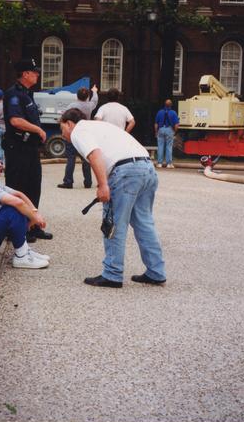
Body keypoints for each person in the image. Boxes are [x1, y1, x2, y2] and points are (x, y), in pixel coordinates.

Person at [59, 108, 166, 288]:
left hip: (125, 172)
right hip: (147, 167)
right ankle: (156, 272)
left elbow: (94, 155)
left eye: (62, 129)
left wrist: (102, 185)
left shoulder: (79, 130)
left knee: (114, 223)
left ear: (69, 123)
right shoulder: (99, 126)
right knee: (144, 222)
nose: (63, 135)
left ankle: (112, 274)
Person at [3, 58, 53, 242]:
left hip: (30, 148)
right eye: (34, 72)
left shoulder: (27, 94)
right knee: (18, 187)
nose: (37, 74)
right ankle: (15, 230)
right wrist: (38, 129)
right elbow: (15, 121)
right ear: (25, 74)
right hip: (18, 148)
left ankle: (32, 226)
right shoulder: (14, 95)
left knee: (33, 187)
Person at [57, 84, 98, 189]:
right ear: (87, 96)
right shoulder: (89, 106)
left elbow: (63, 117)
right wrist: (95, 91)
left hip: (72, 134)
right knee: (86, 159)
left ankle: (68, 182)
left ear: (77, 96)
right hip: (84, 134)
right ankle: (88, 182)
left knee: (71, 158)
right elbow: (95, 101)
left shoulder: (71, 106)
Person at [154, 99, 180, 168]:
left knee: (160, 146)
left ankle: (159, 163)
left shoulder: (159, 112)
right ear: (171, 105)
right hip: (169, 129)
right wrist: (174, 131)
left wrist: (156, 132)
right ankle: (169, 164)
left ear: (164, 105)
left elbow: (156, 124)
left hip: (161, 129)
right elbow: (176, 124)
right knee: (169, 147)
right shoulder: (173, 113)